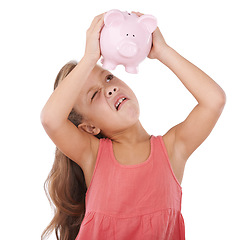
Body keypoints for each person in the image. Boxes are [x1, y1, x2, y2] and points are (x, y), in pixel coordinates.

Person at [41, 12, 226, 240]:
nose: (109, 88)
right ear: (89, 128)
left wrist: (162, 51)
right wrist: (89, 57)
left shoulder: (173, 149)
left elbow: (214, 100)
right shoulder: (92, 155)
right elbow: (51, 119)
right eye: (94, 95)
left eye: (108, 78)